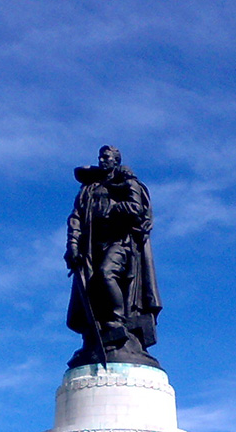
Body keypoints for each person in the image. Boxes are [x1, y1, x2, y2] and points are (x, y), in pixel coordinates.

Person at [64, 146, 162, 366]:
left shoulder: (127, 183)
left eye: (106, 157)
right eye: (100, 157)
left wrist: (112, 209)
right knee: (91, 290)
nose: (102, 160)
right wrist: (73, 245)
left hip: (120, 242)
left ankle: (117, 323)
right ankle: (95, 335)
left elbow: (137, 209)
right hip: (92, 247)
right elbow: (76, 218)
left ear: (116, 161)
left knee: (105, 274)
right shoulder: (89, 189)